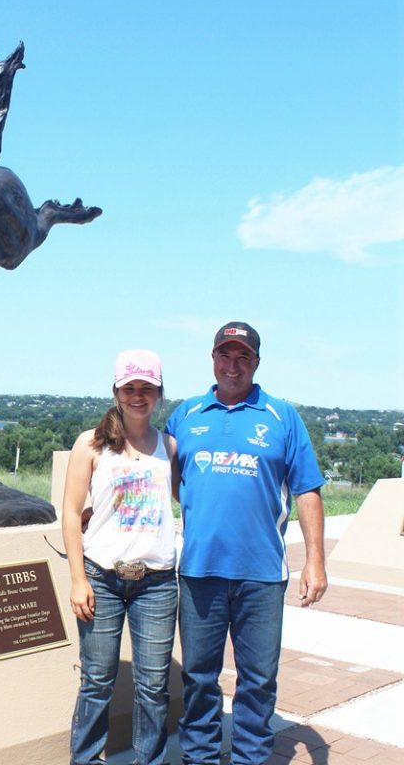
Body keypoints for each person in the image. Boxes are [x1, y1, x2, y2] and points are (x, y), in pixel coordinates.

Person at [165, 321, 327, 765]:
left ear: (256, 363)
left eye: (242, 358)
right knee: (198, 677)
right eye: (225, 355)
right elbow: (168, 482)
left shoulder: (281, 417)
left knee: (258, 679)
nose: (232, 366)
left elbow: (308, 490)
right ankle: (198, 756)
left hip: (261, 574)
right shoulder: (186, 415)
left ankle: (251, 757)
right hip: (199, 571)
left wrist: (316, 562)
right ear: (212, 359)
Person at [62, 349, 179, 765]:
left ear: (159, 393)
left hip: (157, 582)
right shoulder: (91, 444)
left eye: (147, 388)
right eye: (130, 387)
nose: (138, 396)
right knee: (96, 681)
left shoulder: (169, 445)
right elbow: (72, 513)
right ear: (116, 391)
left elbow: (189, 501)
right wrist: (79, 580)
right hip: (103, 578)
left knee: (153, 686)